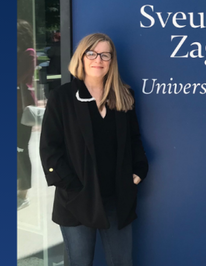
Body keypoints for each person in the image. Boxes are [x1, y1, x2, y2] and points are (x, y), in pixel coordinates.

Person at [40, 33, 149, 266]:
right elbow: (49, 149)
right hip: (76, 198)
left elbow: (134, 138)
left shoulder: (123, 95)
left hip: (116, 197)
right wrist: (72, 185)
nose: (98, 59)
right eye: (92, 53)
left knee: (122, 262)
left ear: (111, 61)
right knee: (79, 262)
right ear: (82, 57)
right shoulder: (62, 97)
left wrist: (140, 169)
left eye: (105, 55)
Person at [17, 19, 37, 210]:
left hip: (22, 110)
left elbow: (18, 76)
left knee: (20, 149)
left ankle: (23, 194)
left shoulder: (28, 54)